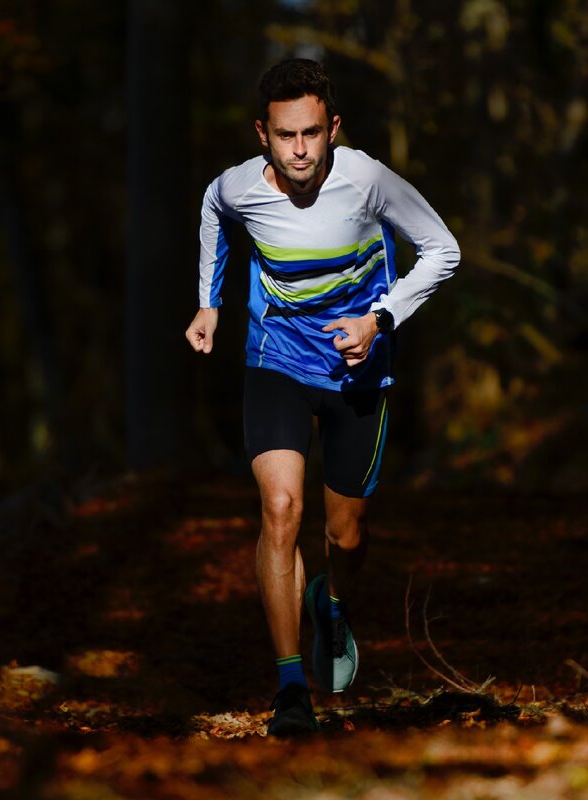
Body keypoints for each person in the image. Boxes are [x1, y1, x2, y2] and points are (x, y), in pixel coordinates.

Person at [185, 58, 459, 737]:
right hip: (274, 358)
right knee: (280, 507)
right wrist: (209, 304)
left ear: (333, 127)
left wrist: (380, 320)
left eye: (312, 133)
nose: (300, 151)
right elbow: (214, 212)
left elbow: (443, 249)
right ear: (262, 134)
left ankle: (331, 605)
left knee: (347, 534)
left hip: (357, 370)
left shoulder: (367, 180)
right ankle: (289, 688)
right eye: (285, 136)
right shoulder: (238, 187)